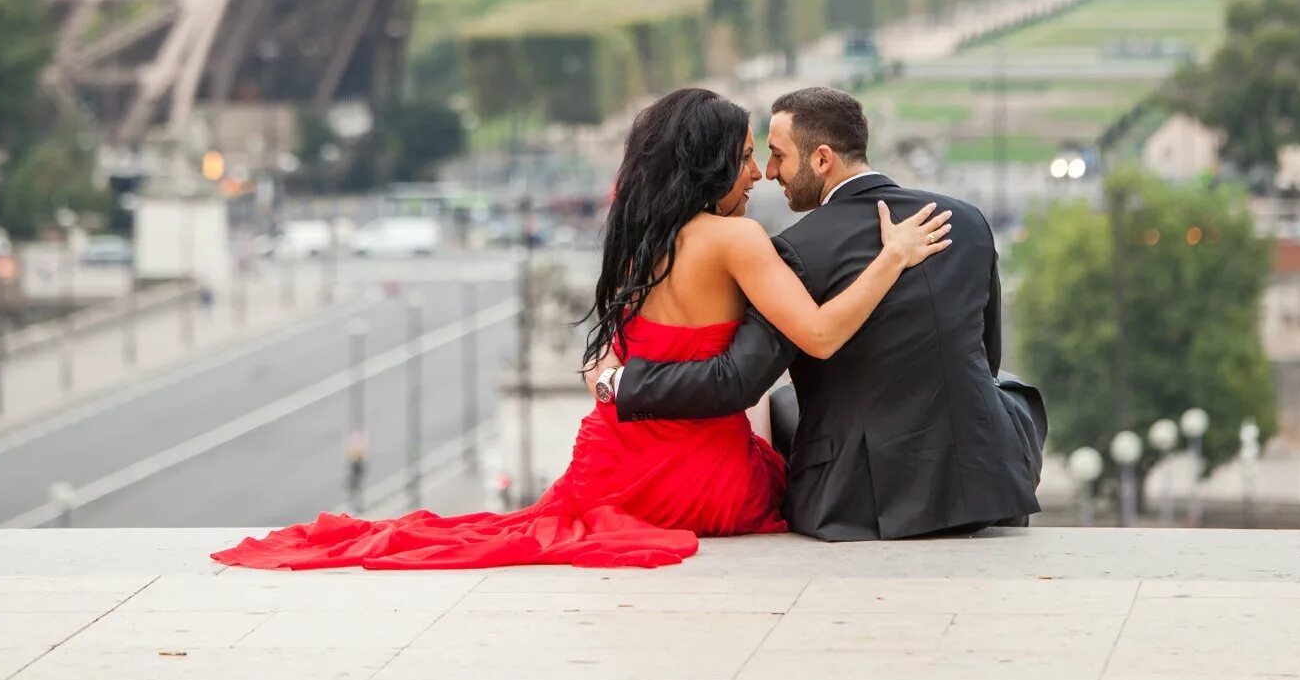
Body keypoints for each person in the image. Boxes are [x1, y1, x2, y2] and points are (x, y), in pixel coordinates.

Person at [210, 86, 950, 571]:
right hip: (706, 482)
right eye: (749, 156)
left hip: (612, 468)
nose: (757, 173)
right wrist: (891, 258)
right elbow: (817, 337)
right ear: (712, 163)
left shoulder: (641, 238)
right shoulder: (737, 242)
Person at [593, 86, 1045, 540]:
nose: (768, 173)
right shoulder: (965, 221)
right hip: (984, 480)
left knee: (785, 402)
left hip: (859, 501)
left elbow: (737, 381)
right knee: (1006, 386)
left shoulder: (796, 249)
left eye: (777, 156)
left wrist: (621, 383)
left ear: (822, 159)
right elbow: (985, 359)